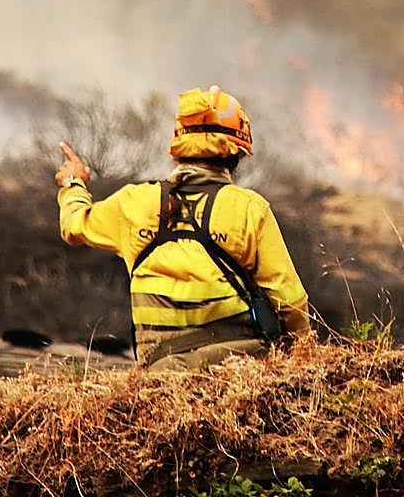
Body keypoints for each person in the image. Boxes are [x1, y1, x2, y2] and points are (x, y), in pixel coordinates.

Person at [55, 85, 310, 369]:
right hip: (241, 367)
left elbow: (74, 225)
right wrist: (299, 361)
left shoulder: (134, 203)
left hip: (160, 370)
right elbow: (289, 299)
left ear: (178, 148)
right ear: (236, 154)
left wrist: (73, 183)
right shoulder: (249, 208)